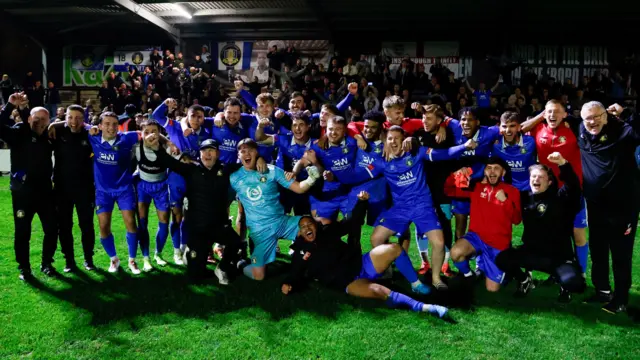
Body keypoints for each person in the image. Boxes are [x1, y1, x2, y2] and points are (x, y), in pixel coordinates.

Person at [281, 191, 449, 319]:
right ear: (300, 233)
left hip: (362, 264)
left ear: (315, 226)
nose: (307, 228)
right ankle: (424, 307)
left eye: (309, 224)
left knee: (394, 249)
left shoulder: (328, 231)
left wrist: (361, 203)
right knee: (379, 290)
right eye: (303, 227)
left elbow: (352, 222)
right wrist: (288, 283)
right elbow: (295, 272)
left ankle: (415, 284)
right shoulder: (301, 251)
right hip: (348, 282)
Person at [369, 126, 476, 291]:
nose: (394, 141)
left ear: (404, 140)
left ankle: (435, 279)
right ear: (386, 142)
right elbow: (358, 173)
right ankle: (389, 273)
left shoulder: (416, 152)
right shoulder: (382, 161)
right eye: (390, 138)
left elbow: (444, 154)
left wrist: (464, 146)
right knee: (376, 239)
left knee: (439, 242)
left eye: (397, 138)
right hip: (400, 208)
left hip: (422, 206)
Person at [151, 138, 251, 283]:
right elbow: (170, 162)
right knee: (195, 276)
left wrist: (259, 159)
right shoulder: (192, 170)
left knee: (238, 245)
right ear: (200, 154)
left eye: (211, 151)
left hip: (219, 226)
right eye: (204, 151)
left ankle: (222, 268)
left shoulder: (226, 169)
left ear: (217, 153)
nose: (207, 154)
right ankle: (192, 253)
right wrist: (156, 147)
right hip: (198, 229)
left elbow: (247, 164)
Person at [495, 152, 585, 301]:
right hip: (532, 253)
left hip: (558, 257)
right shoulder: (524, 198)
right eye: (533, 177)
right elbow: (505, 189)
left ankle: (564, 285)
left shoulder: (561, 198)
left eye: (541, 177)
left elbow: (573, 186)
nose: (536, 179)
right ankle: (525, 281)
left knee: (575, 284)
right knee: (502, 259)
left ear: (549, 182)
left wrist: (563, 163)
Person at [578, 102, 640, 314]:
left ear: (606, 116)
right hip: (596, 205)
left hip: (622, 206)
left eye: (597, 116)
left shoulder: (624, 132)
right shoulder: (582, 130)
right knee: (599, 250)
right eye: (588, 118)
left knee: (621, 253)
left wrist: (627, 113)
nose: (592, 121)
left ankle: (621, 299)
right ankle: (602, 290)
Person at [229, 138, 321, 281]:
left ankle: (311, 266)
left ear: (257, 153)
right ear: (238, 155)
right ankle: (241, 264)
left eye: (251, 150)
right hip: (260, 231)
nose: (247, 154)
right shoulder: (234, 178)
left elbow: (298, 188)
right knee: (258, 276)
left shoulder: (272, 170)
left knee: (310, 225)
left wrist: (311, 179)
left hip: (282, 222)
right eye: (243, 151)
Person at [520, 100, 589, 277]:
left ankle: (580, 272)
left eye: (557, 112)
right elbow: (521, 128)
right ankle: (555, 271)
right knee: (553, 232)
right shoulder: (539, 128)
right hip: (548, 191)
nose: (552, 115)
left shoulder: (574, 129)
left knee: (577, 233)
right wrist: (541, 115)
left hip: (572, 189)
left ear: (565, 114)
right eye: (549, 112)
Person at [0, 93, 58, 280]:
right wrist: (10, 106)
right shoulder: (19, 132)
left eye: (43, 119)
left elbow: (76, 126)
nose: (39, 122)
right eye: (36, 118)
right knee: (23, 231)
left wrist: (56, 125)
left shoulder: (50, 136)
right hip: (22, 193)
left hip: (45, 193)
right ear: (29, 118)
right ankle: (24, 268)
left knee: (51, 228)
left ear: (49, 121)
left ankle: (46, 263)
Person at [449, 157, 522, 292]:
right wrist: (454, 175)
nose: (492, 171)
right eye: (489, 168)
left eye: (496, 168)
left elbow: (517, 220)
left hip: (497, 244)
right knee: (456, 252)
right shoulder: (476, 188)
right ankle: (468, 275)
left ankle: (507, 270)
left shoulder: (512, 191)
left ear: (503, 173)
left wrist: (505, 202)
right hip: (476, 237)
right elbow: (449, 190)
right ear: (484, 172)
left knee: (492, 289)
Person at [87, 112, 141, 274]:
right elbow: (73, 124)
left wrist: (167, 142)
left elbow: (149, 131)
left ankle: (132, 260)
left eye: (114, 124)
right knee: (103, 226)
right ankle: (114, 259)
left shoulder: (127, 138)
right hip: (103, 192)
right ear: (100, 125)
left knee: (131, 222)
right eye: (107, 123)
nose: (111, 127)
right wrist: (54, 124)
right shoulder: (93, 137)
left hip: (124, 189)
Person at [47, 105, 96, 272]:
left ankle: (88, 259)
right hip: (62, 189)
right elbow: (47, 125)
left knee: (86, 225)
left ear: (84, 120)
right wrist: (55, 124)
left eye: (78, 118)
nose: (74, 121)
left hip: (85, 189)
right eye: (70, 117)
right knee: (64, 226)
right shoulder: (58, 132)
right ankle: (69, 261)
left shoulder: (89, 134)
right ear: (65, 117)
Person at [412, 104, 457, 276]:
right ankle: (425, 262)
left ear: (439, 120)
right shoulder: (418, 135)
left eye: (429, 118)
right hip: (422, 189)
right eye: (423, 118)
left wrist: (444, 126)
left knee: (445, 225)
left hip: (443, 189)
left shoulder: (449, 136)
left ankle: (445, 264)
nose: (425, 121)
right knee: (421, 226)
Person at [444, 107, 501, 241]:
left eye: (470, 120)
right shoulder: (454, 128)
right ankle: (460, 259)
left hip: (480, 186)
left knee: (481, 226)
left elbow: (509, 128)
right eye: (463, 119)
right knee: (460, 227)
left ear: (478, 122)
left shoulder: (488, 132)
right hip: (461, 185)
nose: (466, 123)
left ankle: (480, 258)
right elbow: (439, 116)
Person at [255, 111, 315, 215]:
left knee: (303, 220)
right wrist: (260, 127)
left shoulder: (316, 144)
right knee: (278, 217)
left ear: (308, 126)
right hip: (283, 185)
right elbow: (260, 138)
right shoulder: (283, 139)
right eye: (294, 125)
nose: (297, 128)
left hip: (305, 187)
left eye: (301, 125)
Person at [134, 119, 173, 270]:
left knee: (164, 222)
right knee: (142, 223)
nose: (151, 135)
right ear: (141, 134)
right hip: (143, 186)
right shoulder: (136, 148)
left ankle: (158, 254)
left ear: (159, 133)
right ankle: (145, 258)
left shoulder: (166, 148)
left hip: (161, 187)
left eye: (154, 131)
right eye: (147, 132)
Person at [491, 111, 537, 191]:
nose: (508, 130)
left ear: (519, 127)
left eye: (512, 126)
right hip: (507, 188)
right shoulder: (496, 145)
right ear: (500, 128)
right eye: (504, 126)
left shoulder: (530, 142)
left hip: (529, 188)